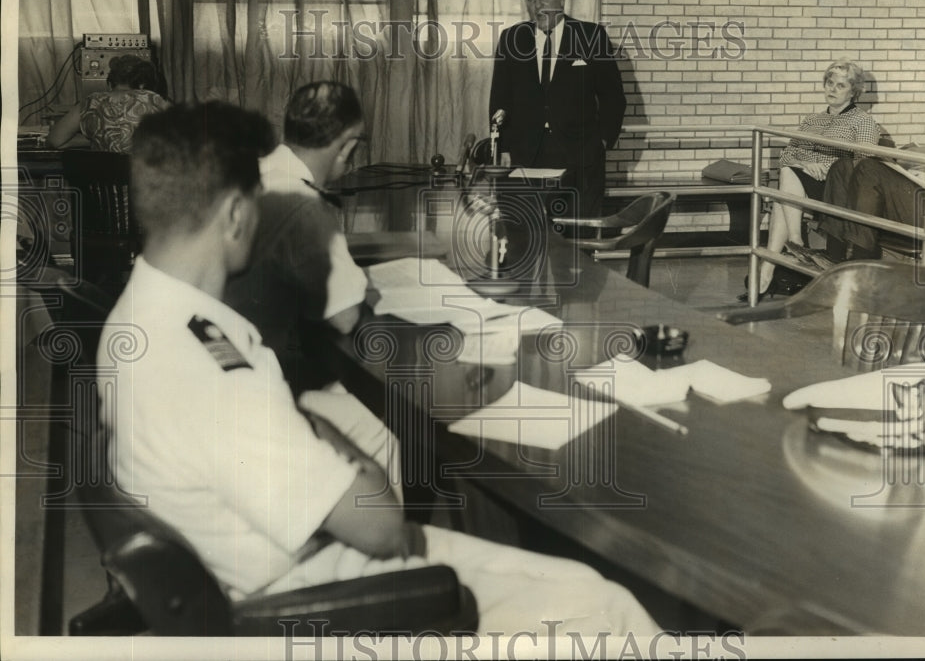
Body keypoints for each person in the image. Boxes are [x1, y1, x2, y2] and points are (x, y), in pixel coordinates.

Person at [98, 101, 660, 637]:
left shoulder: (137, 317)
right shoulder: (210, 374)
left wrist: (317, 436)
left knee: (577, 579)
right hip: (314, 598)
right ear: (238, 213)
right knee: (605, 606)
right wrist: (355, 463)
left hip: (271, 557)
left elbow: (294, 438)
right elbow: (382, 526)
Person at [223, 81, 368, 392]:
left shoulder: (251, 170)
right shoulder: (304, 202)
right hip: (250, 381)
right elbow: (345, 317)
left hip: (212, 358)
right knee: (387, 427)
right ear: (347, 146)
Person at [489, 0, 626, 218]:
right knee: (527, 238)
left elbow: (613, 98)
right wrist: (504, 149)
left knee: (576, 240)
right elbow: (499, 100)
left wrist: (602, 142)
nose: (537, 5)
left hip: (580, 159)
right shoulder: (512, 39)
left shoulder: (591, 36)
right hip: (526, 158)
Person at [748, 59, 880, 298]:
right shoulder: (812, 120)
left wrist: (824, 165)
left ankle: (777, 261)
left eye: (840, 85)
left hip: (836, 188)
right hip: (802, 181)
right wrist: (805, 164)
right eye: (829, 83)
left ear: (854, 91)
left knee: (783, 191)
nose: (832, 89)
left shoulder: (863, 121)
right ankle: (785, 255)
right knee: (786, 183)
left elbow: (866, 164)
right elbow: (788, 154)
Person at [819, 76, 925, 262]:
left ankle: (862, 260)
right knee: (844, 166)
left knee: (869, 169)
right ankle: (834, 255)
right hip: (921, 194)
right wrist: (912, 170)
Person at [46, 54, 169, 152]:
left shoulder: (91, 101)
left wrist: (101, 138)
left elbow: (55, 141)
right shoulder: (151, 98)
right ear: (142, 85)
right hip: (143, 180)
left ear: (110, 84)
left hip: (103, 182)